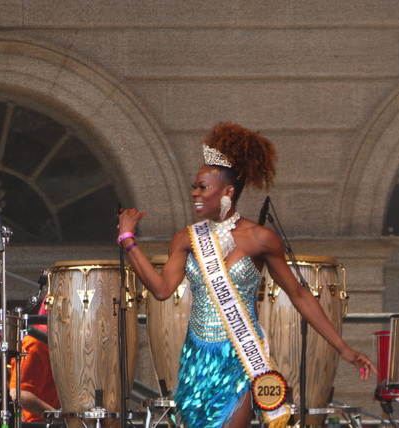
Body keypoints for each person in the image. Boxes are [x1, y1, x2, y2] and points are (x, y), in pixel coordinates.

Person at [118, 121, 376, 428]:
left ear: (228, 191)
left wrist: (344, 349)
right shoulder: (185, 239)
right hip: (197, 360)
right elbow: (161, 290)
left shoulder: (260, 238)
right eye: (194, 186)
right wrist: (128, 240)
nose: (194, 193)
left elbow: (299, 294)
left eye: (203, 187)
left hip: (240, 356)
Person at [9, 298, 60, 423]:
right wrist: (59, 418)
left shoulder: (66, 342)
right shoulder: (35, 344)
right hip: (39, 423)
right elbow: (19, 394)